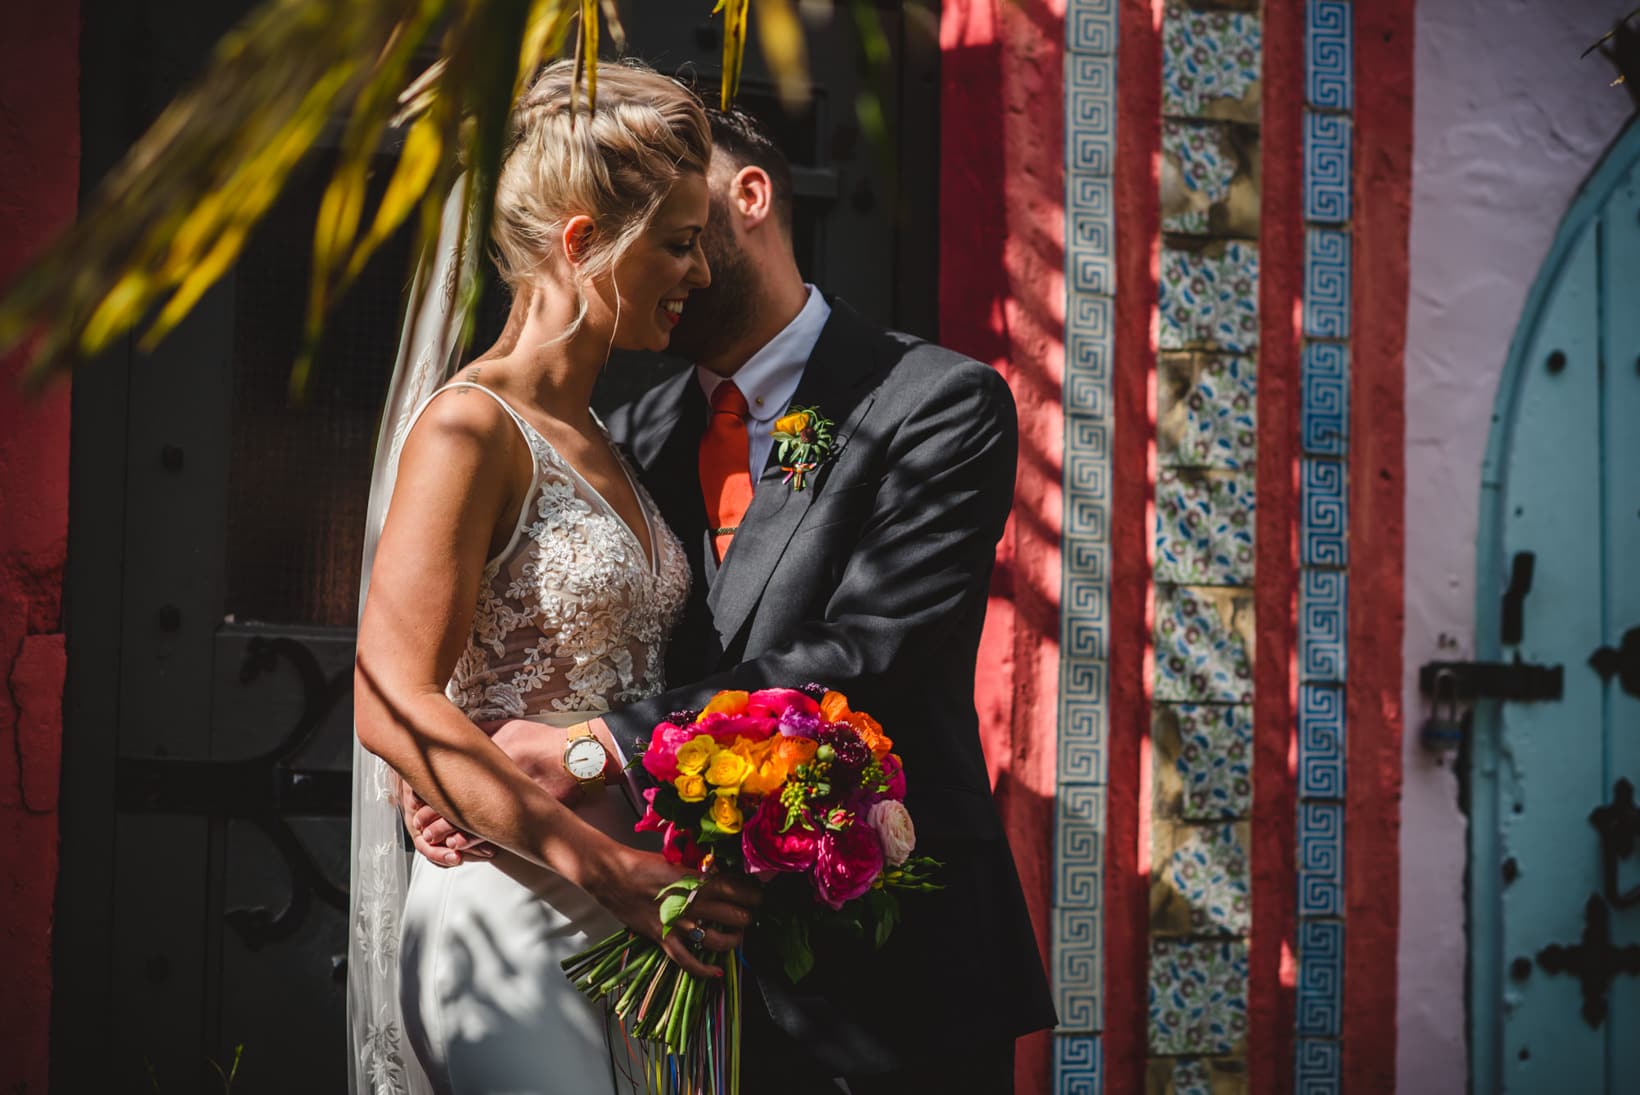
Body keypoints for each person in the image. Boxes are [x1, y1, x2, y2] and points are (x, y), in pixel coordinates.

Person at [408, 108, 1057, 1093]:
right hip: (667, 956)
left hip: (891, 972)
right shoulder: (619, 436)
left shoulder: (936, 402)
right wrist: (460, 781)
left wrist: (588, 747)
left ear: (746, 197)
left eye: (677, 217)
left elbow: (868, 651)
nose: (677, 264)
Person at [350, 62, 762, 1095]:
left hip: (643, 921)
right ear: (583, 244)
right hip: (509, 916)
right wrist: (608, 870)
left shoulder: (611, 444)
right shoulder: (468, 427)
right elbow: (388, 695)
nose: (699, 274)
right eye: (675, 243)